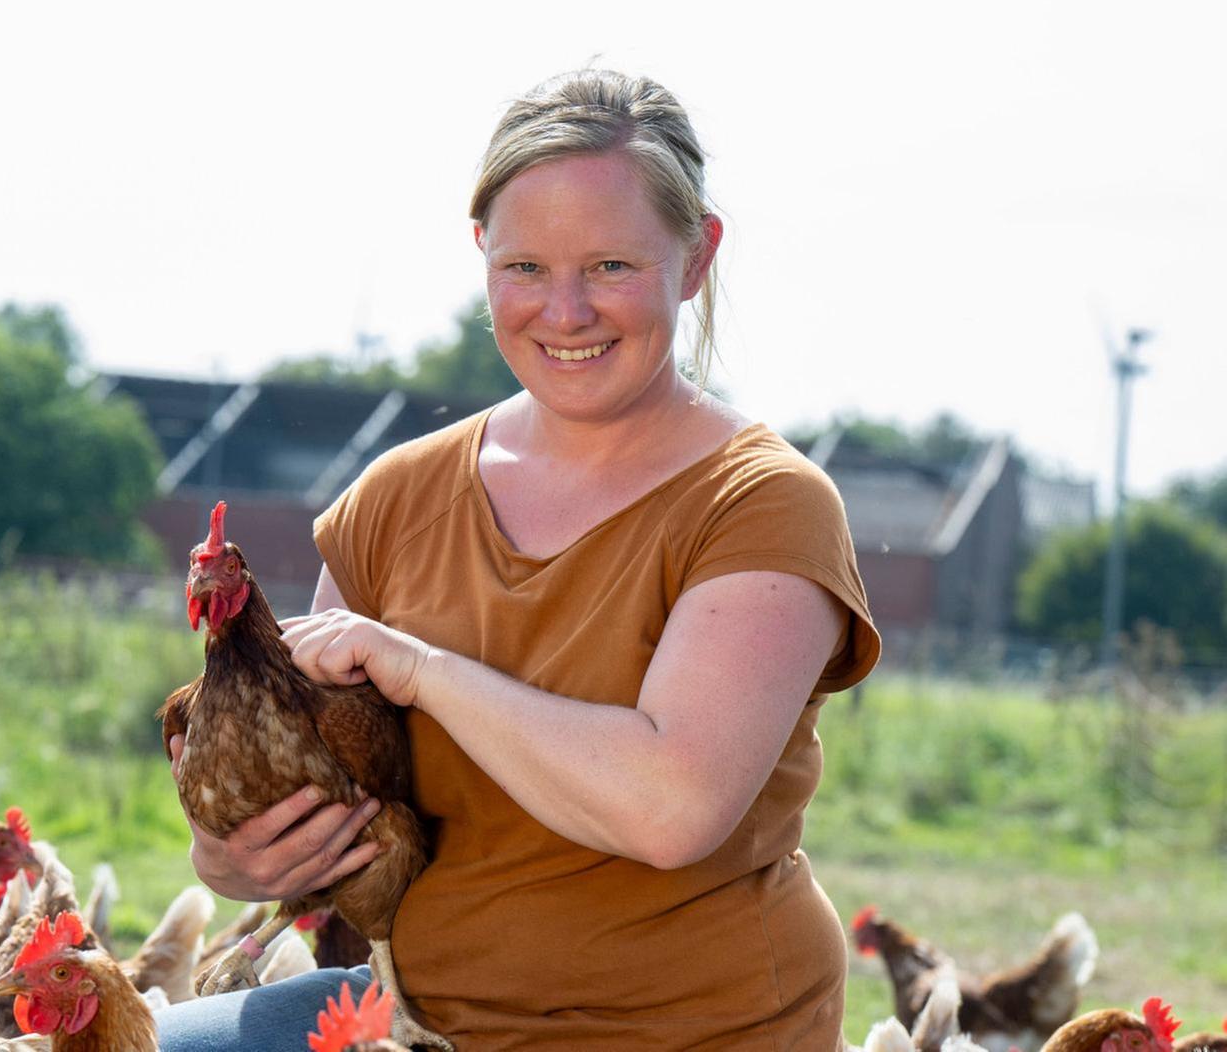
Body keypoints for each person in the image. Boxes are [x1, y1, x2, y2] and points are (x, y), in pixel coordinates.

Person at [157, 65, 880, 1051]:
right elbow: (312, 781)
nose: (566, 311)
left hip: (690, 1033)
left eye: (612, 268)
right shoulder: (397, 498)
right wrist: (237, 855)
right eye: (526, 269)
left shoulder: (761, 503)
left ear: (698, 254)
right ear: (481, 256)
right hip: (416, 1022)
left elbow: (671, 808)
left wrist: (423, 670)